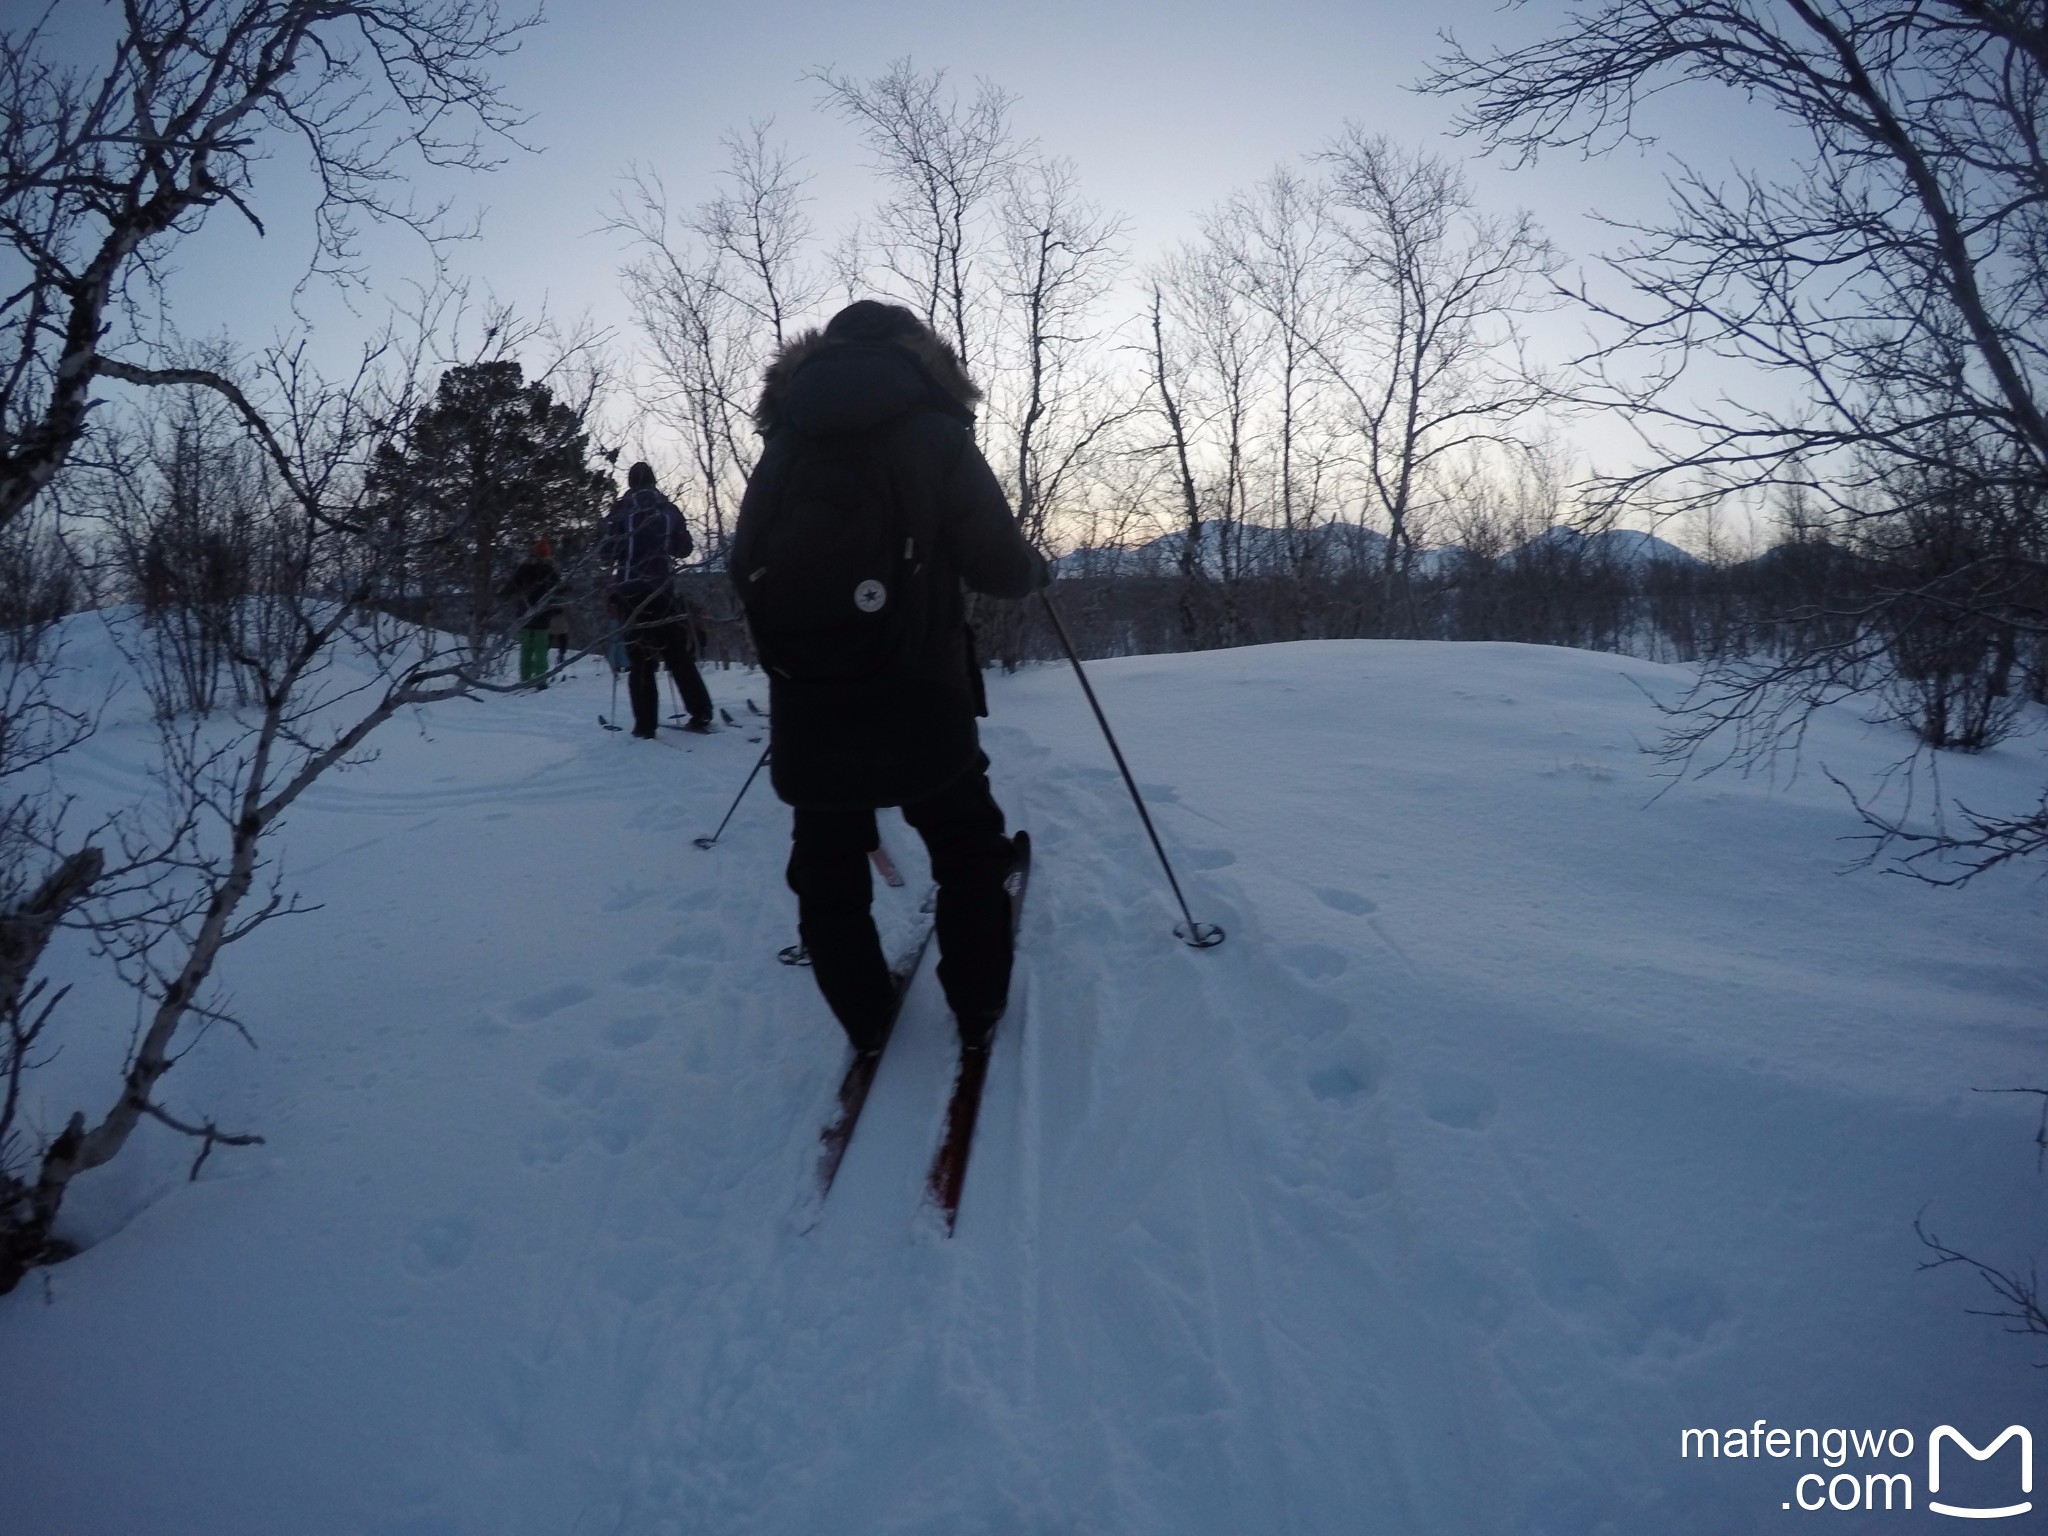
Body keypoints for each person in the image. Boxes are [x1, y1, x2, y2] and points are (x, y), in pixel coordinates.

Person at [729, 300, 1047, 1054]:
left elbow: (745, 567)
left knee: (827, 866)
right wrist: (1037, 569)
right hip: (918, 686)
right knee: (967, 845)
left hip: (809, 692)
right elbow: (1000, 568)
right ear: (917, 351)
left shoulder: (785, 441)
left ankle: (864, 1018)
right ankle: (977, 1007)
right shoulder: (935, 432)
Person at [600, 462, 715, 737]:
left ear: (630, 483)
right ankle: (700, 711)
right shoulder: (667, 509)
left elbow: (606, 553)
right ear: (653, 481)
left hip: (629, 591)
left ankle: (645, 725)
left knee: (640, 659)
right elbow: (684, 548)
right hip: (661, 590)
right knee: (676, 653)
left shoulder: (619, 511)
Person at [503, 538, 562, 685]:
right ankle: (540, 680)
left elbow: (511, 587)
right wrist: (556, 610)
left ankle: (525, 679)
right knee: (541, 650)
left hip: (524, 616)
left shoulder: (523, 569)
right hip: (542, 616)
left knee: (526, 650)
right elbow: (556, 592)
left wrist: (504, 594)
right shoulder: (550, 571)